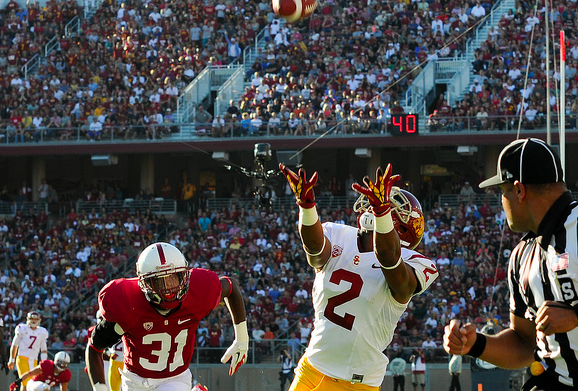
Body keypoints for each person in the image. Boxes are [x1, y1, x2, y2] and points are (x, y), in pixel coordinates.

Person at [279, 163, 439, 390]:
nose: (374, 206)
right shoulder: (338, 234)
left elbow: (391, 264)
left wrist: (382, 214)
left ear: (402, 227)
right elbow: (315, 254)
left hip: (358, 383)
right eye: (380, 202)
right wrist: (307, 207)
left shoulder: (414, 262)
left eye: (386, 205)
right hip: (313, 369)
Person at [443, 138, 577, 391]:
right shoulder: (521, 255)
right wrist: (476, 344)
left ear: (519, 190)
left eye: (502, 192)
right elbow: (525, 343)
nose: (502, 202)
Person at [86, 242, 249, 391]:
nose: (168, 287)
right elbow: (94, 347)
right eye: (159, 281)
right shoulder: (130, 306)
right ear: (145, 283)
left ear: (184, 275)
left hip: (174, 379)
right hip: (134, 381)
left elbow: (231, 285)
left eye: (173, 277)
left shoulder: (196, 295)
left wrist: (242, 339)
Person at [8, 311, 49, 389]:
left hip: (34, 360)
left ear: (39, 320)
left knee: (32, 384)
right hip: (22, 358)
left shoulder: (42, 331)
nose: (33, 321)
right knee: (26, 383)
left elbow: (44, 350)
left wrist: (44, 363)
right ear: (27, 319)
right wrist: (12, 359)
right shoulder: (22, 328)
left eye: (35, 319)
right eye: (31, 319)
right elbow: (15, 345)